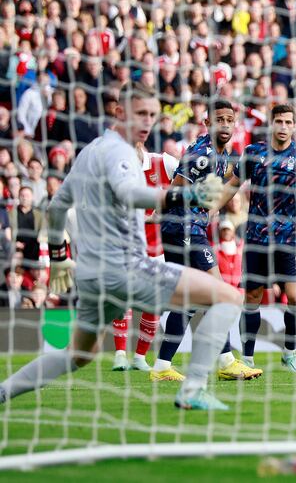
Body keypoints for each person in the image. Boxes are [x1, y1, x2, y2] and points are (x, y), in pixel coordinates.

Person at [0, 82, 239, 411]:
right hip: (126, 268)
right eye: (140, 113)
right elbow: (128, 193)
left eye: (152, 115)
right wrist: (183, 195)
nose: (147, 122)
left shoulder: (88, 153)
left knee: (77, 355)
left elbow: (55, 208)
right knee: (227, 296)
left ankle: (3, 391)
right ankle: (192, 389)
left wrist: (59, 257)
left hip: (92, 276)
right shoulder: (120, 152)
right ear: (119, 112)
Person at [151, 99, 262, 382]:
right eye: (219, 119)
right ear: (207, 123)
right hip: (183, 226)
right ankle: (225, 361)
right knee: (218, 291)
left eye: (229, 120)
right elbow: (177, 189)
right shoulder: (201, 153)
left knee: (187, 300)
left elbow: (225, 183)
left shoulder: (224, 154)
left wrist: (212, 206)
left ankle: (162, 366)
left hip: (189, 227)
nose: (225, 125)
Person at [217, 104, 296, 372]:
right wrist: (210, 209)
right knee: (253, 296)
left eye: (289, 122)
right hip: (257, 238)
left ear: (294, 126)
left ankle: (289, 353)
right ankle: (248, 358)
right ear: (271, 124)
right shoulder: (254, 153)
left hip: (290, 239)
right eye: (279, 121)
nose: (283, 127)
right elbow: (232, 185)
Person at [109, 142, 179, 372]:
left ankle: (139, 357)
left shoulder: (164, 163)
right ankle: (120, 354)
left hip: (159, 248)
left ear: (138, 145)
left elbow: (188, 181)